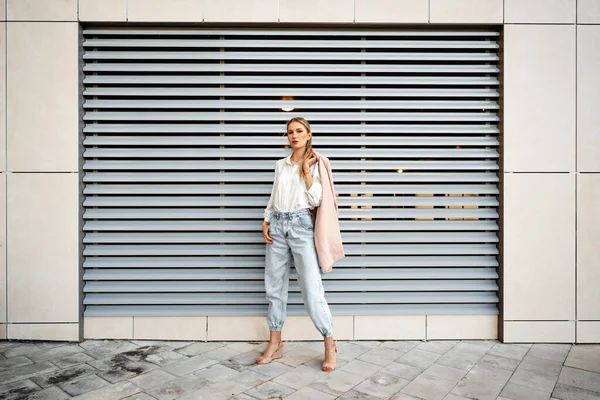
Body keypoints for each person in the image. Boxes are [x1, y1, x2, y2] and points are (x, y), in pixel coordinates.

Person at [256, 117, 337, 372]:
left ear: (309, 134)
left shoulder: (317, 163)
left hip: (301, 227)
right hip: (278, 226)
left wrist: (305, 172)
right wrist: (266, 219)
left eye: (299, 131)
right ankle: (275, 344)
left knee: (312, 289)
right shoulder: (280, 165)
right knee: (274, 288)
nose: (294, 135)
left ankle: (329, 344)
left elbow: (317, 200)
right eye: (290, 132)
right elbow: (274, 195)